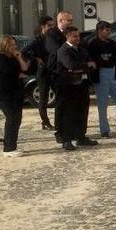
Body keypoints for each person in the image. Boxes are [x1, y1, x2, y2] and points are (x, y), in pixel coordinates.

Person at [55, 27, 98, 150]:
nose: (77, 38)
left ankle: (81, 137)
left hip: (82, 84)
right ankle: (66, 140)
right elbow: (71, 66)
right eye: (74, 36)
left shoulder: (81, 49)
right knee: (68, 114)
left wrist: (84, 66)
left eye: (78, 36)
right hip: (68, 86)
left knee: (82, 111)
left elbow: (91, 64)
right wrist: (85, 66)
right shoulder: (63, 50)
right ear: (67, 37)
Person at [87, 21, 116, 138]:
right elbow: (93, 59)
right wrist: (105, 60)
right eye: (106, 30)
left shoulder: (112, 43)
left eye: (109, 30)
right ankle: (104, 130)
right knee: (103, 104)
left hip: (113, 73)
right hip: (101, 74)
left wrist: (111, 59)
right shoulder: (93, 44)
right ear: (99, 31)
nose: (109, 32)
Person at [0, 36, 29, 156]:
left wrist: (19, 57)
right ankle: (8, 148)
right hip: (5, 94)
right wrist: (18, 75)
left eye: (14, 44)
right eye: (11, 45)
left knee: (17, 120)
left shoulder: (13, 57)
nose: (14, 47)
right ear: (4, 45)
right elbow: (7, 73)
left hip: (16, 93)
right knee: (12, 119)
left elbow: (25, 68)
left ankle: (13, 145)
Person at [21, 16, 55, 130]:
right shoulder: (37, 40)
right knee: (43, 98)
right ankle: (45, 122)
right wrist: (35, 58)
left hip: (54, 70)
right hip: (42, 71)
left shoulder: (53, 38)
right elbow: (24, 52)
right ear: (43, 27)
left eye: (52, 25)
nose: (51, 27)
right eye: (49, 25)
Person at [45, 10, 72, 144]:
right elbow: (56, 51)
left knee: (70, 105)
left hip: (70, 74)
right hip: (57, 73)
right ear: (61, 20)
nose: (71, 23)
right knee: (61, 104)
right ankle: (60, 132)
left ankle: (71, 131)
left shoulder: (70, 33)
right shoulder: (52, 34)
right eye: (69, 20)